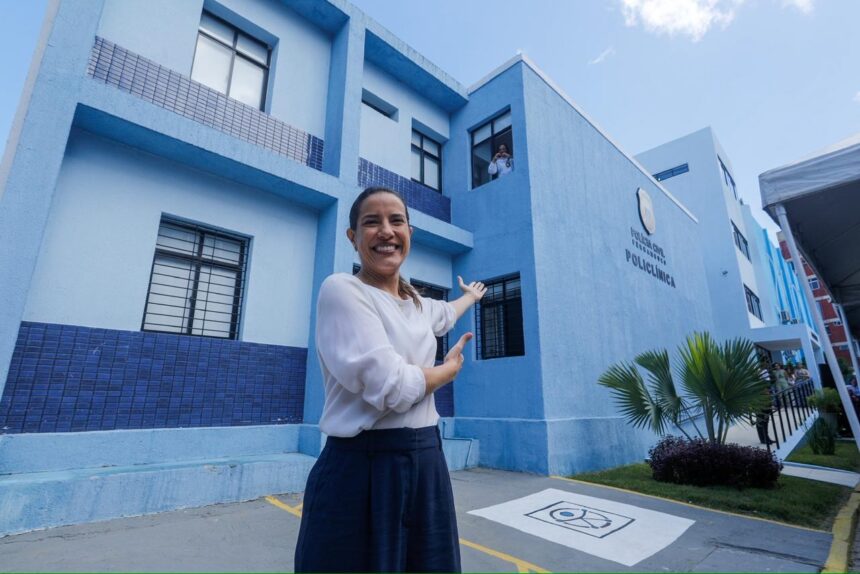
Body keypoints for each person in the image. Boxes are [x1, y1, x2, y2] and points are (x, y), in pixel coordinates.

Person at [294, 186, 487, 573]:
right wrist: (448, 371)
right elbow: (393, 387)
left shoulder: (417, 304)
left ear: (409, 233)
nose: (386, 231)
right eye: (372, 222)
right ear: (353, 237)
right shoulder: (343, 290)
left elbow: (447, 313)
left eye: (396, 221)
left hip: (427, 461)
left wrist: (472, 296)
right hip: (361, 466)